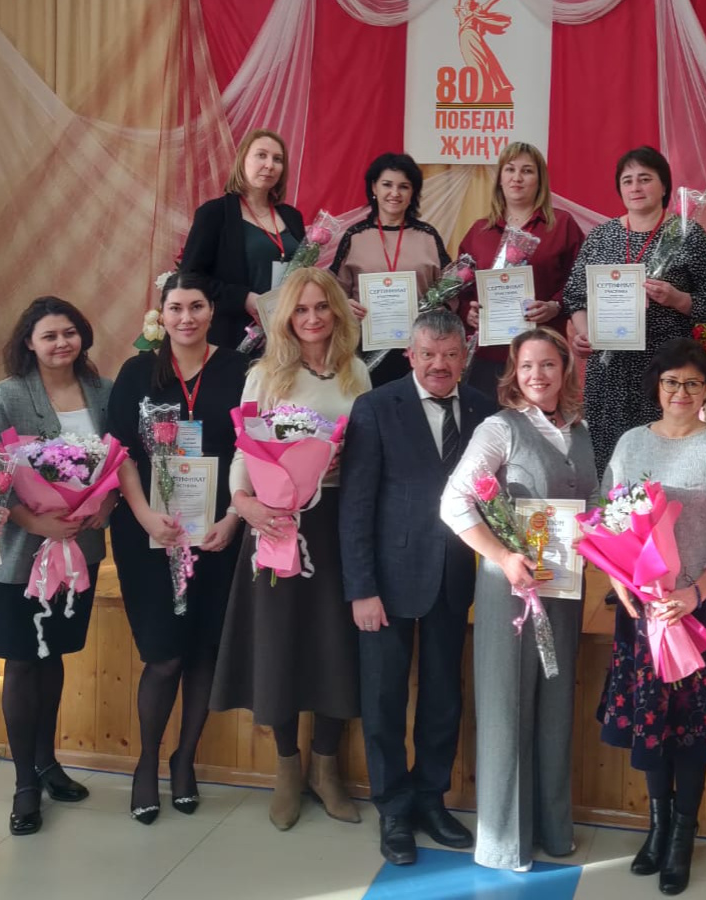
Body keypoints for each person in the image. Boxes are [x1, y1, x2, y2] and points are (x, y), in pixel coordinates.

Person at [596, 338, 706, 896]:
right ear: (657, 387)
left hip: (703, 611)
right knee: (653, 722)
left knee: (692, 728)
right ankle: (657, 827)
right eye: (671, 382)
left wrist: (696, 591)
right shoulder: (630, 443)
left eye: (693, 382)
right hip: (644, 611)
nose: (681, 392)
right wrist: (619, 580)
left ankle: (683, 834)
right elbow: (607, 519)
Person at [212, 268, 371, 830]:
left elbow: (367, 453)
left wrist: (342, 458)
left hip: (334, 524)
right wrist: (243, 505)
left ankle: (326, 768)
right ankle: (286, 768)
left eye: (321, 307)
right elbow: (243, 451)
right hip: (275, 524)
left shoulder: (356, 373)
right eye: (300, 309)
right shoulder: (264, 376)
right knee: (277, 643)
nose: (312, 318)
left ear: (337, 312)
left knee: (333, 643)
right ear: (286, 318)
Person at [340, 309, 495, 866]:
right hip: (386, 583)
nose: (439, 365)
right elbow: (356, 505)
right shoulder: (376, 407)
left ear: (464, 357)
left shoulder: (483, 410)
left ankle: (431, 798)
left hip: (454, 579)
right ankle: (393, 809)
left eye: (450, 355)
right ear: (410, 356)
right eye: (428, 354)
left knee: (443, 696)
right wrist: (361, 588)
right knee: (383, 699)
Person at [441, 327, 596, 871]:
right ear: (513, 371)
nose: (537, 375)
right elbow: (454, 501)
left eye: (548, 364)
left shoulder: (579, 430)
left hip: (563, 588)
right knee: (507, 707)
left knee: (554, 709)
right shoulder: (499, 429)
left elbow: (593, 505)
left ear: (565, 370)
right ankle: (505, 841)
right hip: (510, 590)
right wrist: (502, 556)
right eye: (527, 365)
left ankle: (552, 828)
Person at [107, 273, 248, 824]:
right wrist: (145, 514)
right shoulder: (137, 372)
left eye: (196, 306)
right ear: (160, 316)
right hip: (149, 532)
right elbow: (119, 451)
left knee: (204, 651)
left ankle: (184, 760)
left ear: (212, 312)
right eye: (175, 308)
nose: (186, 317)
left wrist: (234, 518)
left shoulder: (240, 369)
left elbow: (252, 450)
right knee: (164, 655)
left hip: (217, 532)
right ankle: (146, 762)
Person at [0, 297, 114, 836]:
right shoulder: (6, 395)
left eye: (70, 333)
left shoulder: (102, 391)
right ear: (29, 343)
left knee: (53, 656)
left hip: (79, 549)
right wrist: (35, 522)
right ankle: (23, 784)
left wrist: (105, 505)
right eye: (50, 335)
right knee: (21, 663)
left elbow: (119, 461)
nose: (61, 343)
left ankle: (47, 762)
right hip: (18, 556)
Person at [562, 146, 706, 473]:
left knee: (663, 462)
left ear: (664, 186)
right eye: (628, 181)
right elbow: (575, 297)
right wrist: (585, 333)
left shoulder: (687, 235)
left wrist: (678, 299)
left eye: (645, 178)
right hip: (610, 372)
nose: (635, 187)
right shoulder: (601, 237)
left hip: (667, 371)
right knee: (611, 464)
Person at [457, 143, 584, 400]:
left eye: (527, 171)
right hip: (489, 357)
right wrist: (467, 312)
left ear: (540, 180)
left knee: (541, 423)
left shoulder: (562, 225)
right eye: (510, 169)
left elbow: (580, 282)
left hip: (543, 354)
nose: (517, 177)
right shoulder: (479, 231)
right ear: (500, 179)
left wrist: (555, 305)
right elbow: (461, 288)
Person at [179, 129, 308, 349]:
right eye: (261, 155)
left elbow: (304, 273)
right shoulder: (214, 213)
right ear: (242, 160)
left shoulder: (292, 216)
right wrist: (243, 298)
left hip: (287, 336)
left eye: (278, 159)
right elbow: (190, 277)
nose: (270, 165)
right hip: (234, 338)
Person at [331, 152, 452, 387]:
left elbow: (451, 291)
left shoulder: (428, 236)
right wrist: (343, 305)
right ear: (374, 187)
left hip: (420, 350)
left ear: (413, 192)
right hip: (363, 349)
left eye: (403, 186)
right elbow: (334, 290)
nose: (395, 193)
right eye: (387, 184)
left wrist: (439, 309)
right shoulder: (355, 236)